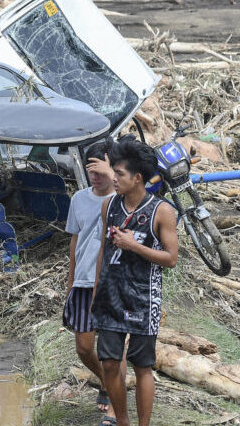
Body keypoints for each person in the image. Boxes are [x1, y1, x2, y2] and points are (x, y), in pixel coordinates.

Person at [91, 139, 179, 426]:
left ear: (137, 178)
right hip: (110, 295)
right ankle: (123, 420)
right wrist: (96, 290)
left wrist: (134, 245)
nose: (112, 178)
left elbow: (170, 258)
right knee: (109, 362)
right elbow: (103, 251)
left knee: (142, 365)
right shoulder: (109, 206)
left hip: (143, 298)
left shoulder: (162, 211)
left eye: (119, 174)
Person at [63, 141, 118, 416]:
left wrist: (113, 175)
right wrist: (71, 278)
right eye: (90, 170)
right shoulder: (79, 199)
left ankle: (113, 395)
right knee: (84, 348)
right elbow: (75, 240)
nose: (94, 176)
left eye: (100, 170)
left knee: (111, 348)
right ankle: (109, 381)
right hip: (84, 282)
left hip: (112, 284)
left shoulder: (122, 200)